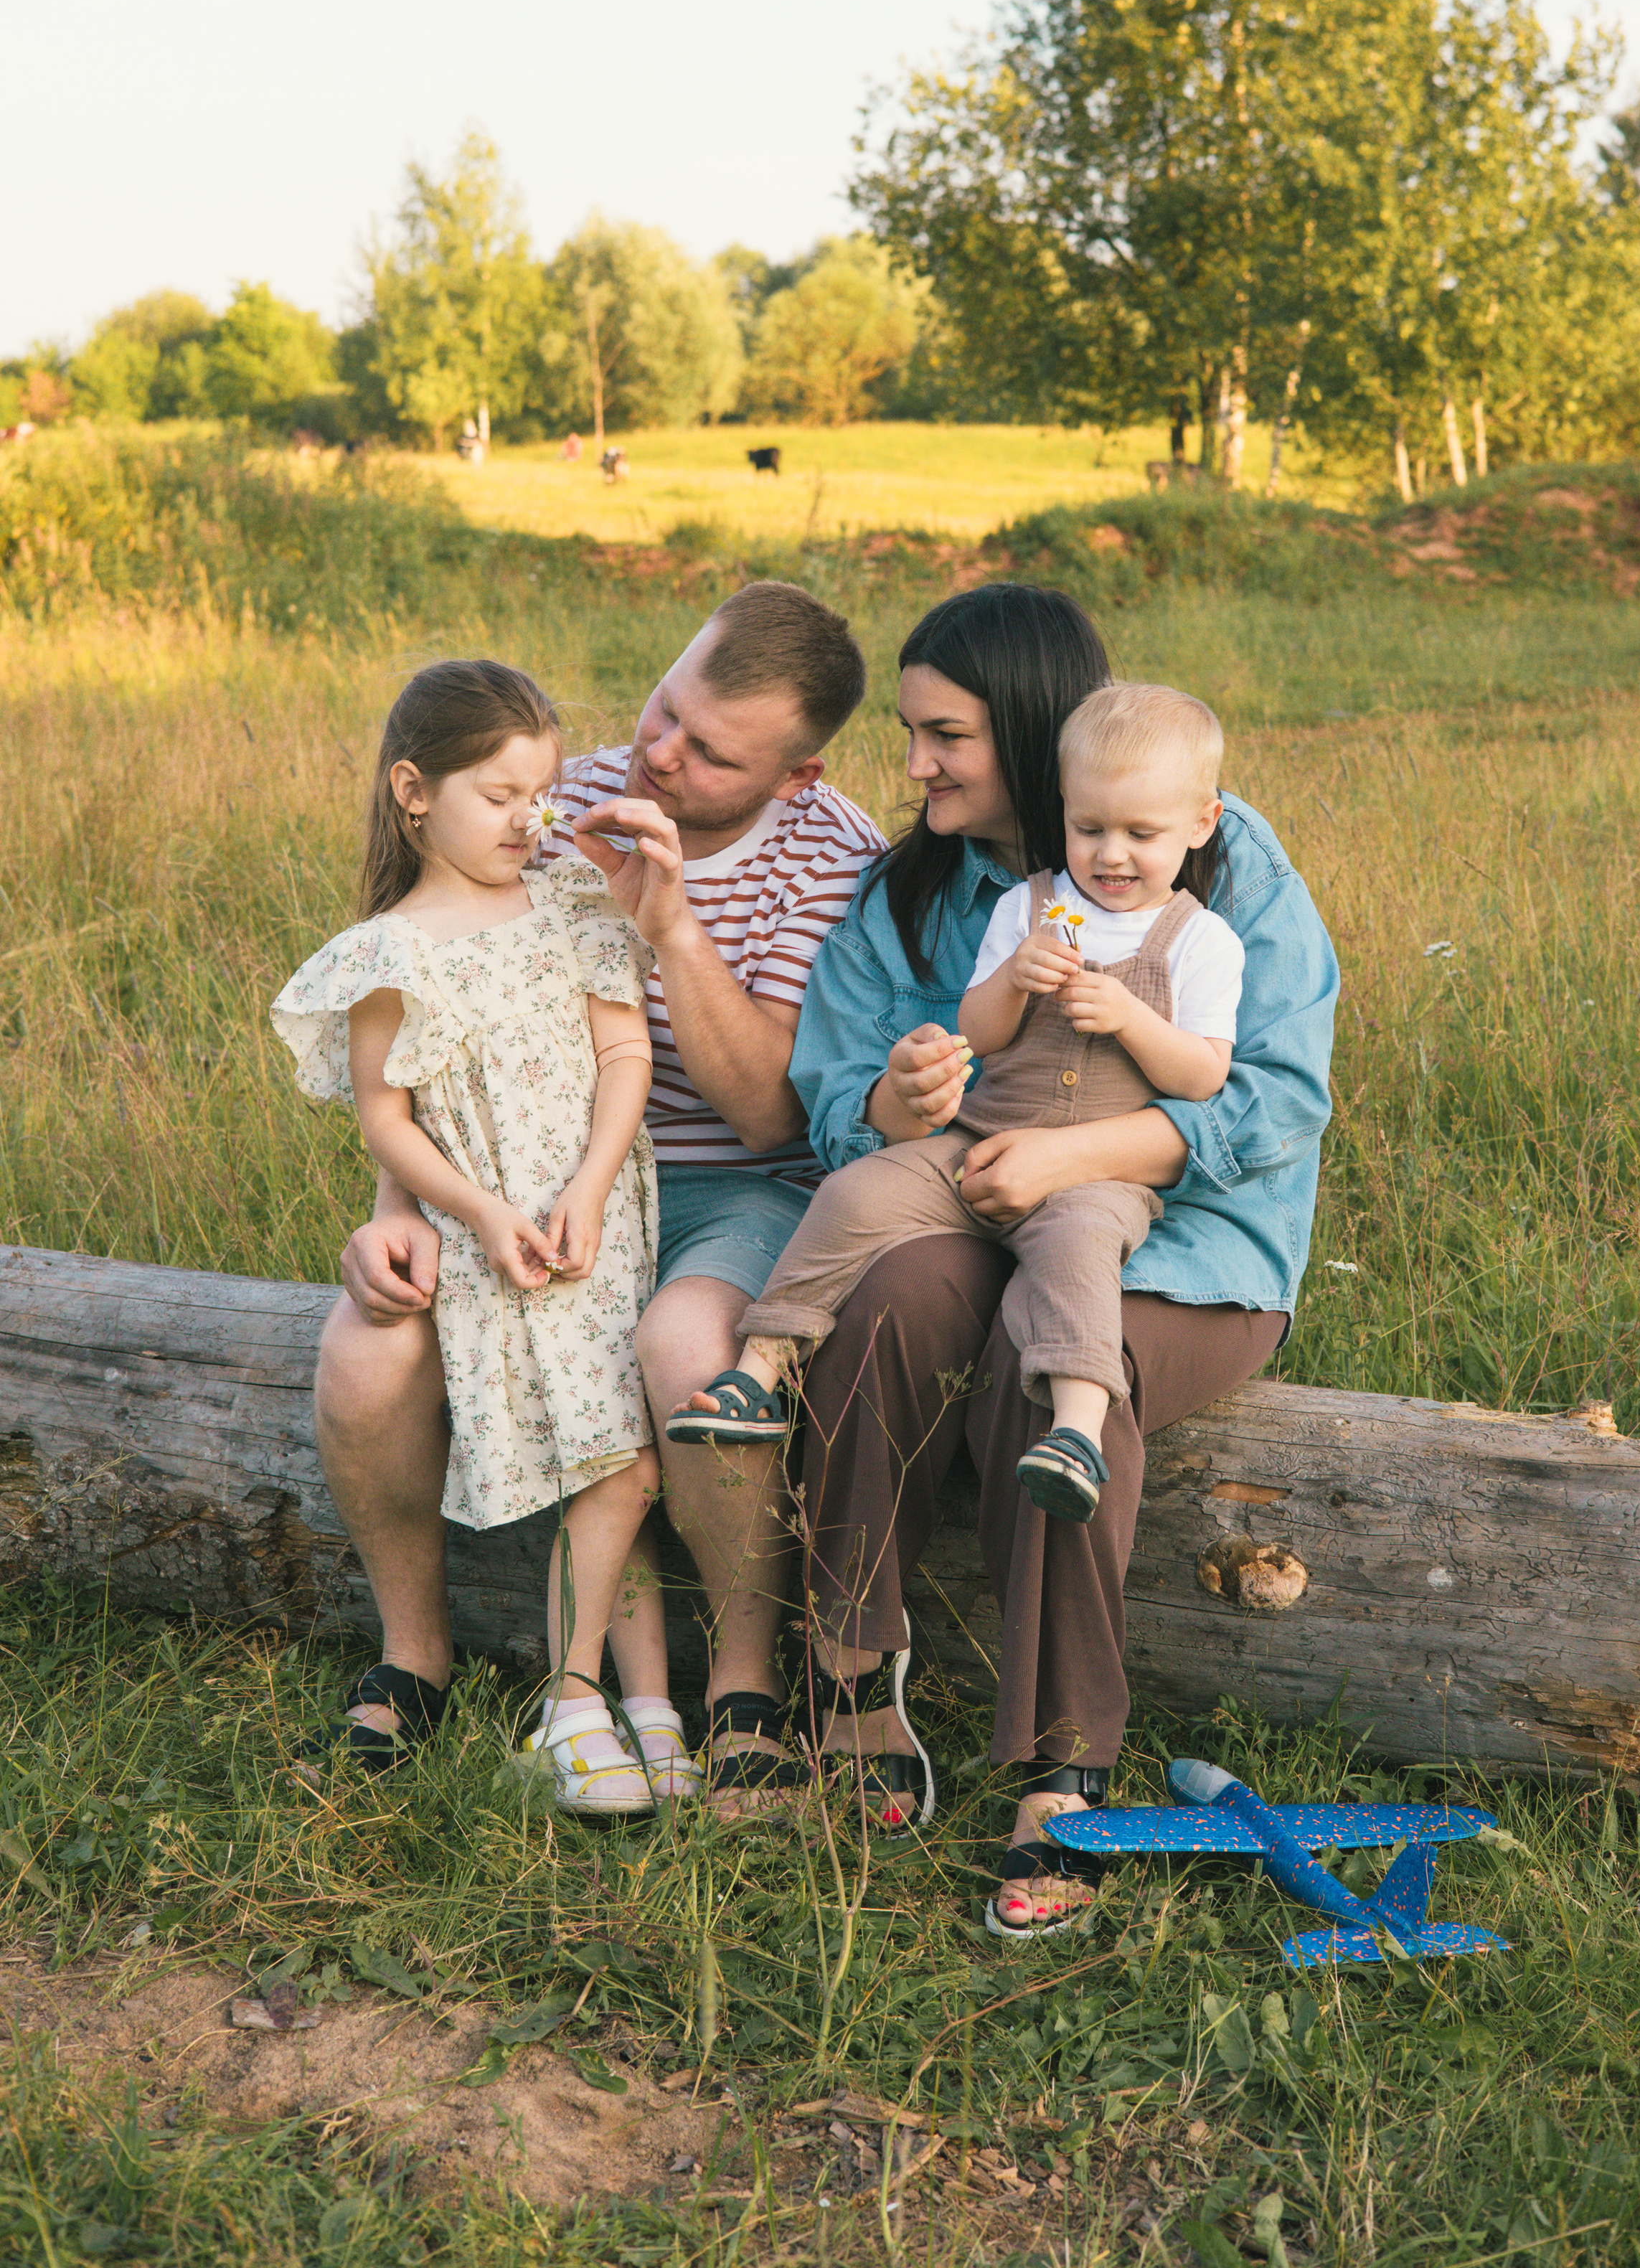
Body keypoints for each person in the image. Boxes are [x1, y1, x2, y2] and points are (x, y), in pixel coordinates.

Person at [776, 581, 1338, 1934]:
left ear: (1028, 728)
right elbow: (836, 1086)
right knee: (895, 1294)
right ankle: (849, 1668)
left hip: (1192, 1251)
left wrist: (1080, 1159)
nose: (915, 766)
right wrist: (896, 1102)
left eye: (944, 735)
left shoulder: (1214, 855)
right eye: (914, 734)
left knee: (1054, 1360)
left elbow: (1276, 1100)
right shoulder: (930, 884)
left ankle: (1061, 1767)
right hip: (981, 1202)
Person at [316, 583, 884, 1800]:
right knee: (366, 1352)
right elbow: (429, 1016)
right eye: (665, 707)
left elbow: (775, 1117)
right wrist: (397, 1209)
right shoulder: (558, 795)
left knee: (685, 1354)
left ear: (797, 774)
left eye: (711, 751)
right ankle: (416, 1653)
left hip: (734, 1189)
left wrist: (673, 931)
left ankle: (739, 1684)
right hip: (526, 1182)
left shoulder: (833, 857)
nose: (660, 753)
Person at [670, 681, 1245, 1533]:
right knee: (858, 1193)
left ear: (1200, 825)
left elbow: (1202, 1076)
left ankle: (1077, 1430)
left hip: (1098, 1171)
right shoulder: (1037, 906)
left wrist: (1130, 1019)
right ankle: (761, 1364)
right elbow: (979, 1031)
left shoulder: (1200, 939)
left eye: (1140, 834)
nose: (1111, 855)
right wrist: (1013, 980)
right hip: (981, 1135)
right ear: (1063, 816)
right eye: (1089, 829)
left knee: (1080, 1256)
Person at [272, 659, 696, 1809]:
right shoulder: (388, 951)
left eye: (543, 792)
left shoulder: (570, 903)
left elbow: (625, 1056)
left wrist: (593, 1188)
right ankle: (575, 1709)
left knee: (625, 1464)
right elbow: (386, 1119)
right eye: (500, 794)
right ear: (414, 790)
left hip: (598, 1223)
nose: (532, 817)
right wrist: (485, 1212)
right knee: (607, 1465)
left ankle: (641, 1712)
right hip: (494, 1242)